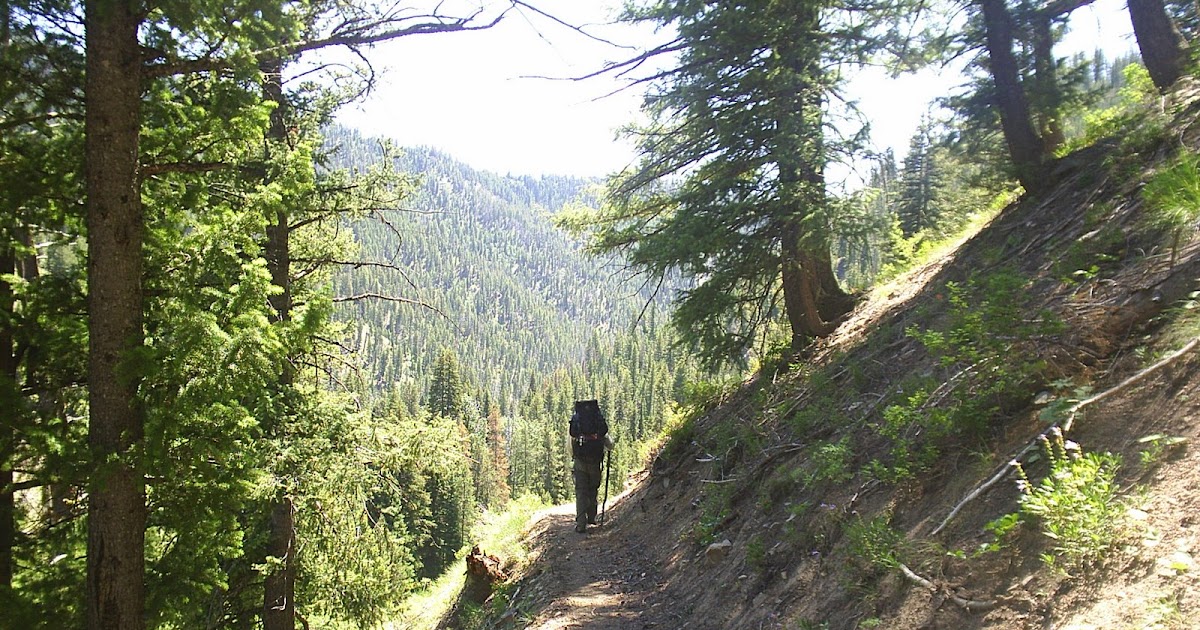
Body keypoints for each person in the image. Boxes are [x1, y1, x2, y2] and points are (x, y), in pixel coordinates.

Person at [569, 400, 612, 533]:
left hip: (580, 462)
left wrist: (574, 456)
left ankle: (581, 524)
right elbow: (610, 444)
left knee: (581, 492)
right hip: (595, 462)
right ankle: (592, 517)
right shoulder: (597, 421)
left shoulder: (577, 422)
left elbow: (570, 443)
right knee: (593, 489)